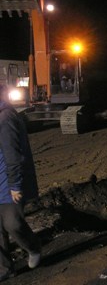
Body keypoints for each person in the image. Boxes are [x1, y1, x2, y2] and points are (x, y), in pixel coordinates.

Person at [0, 85, 41, 281]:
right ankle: (5, 269)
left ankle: (33, 247)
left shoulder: (6, 117)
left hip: (7, 183)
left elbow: (14, 157)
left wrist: (15, 185)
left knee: (13, 224)